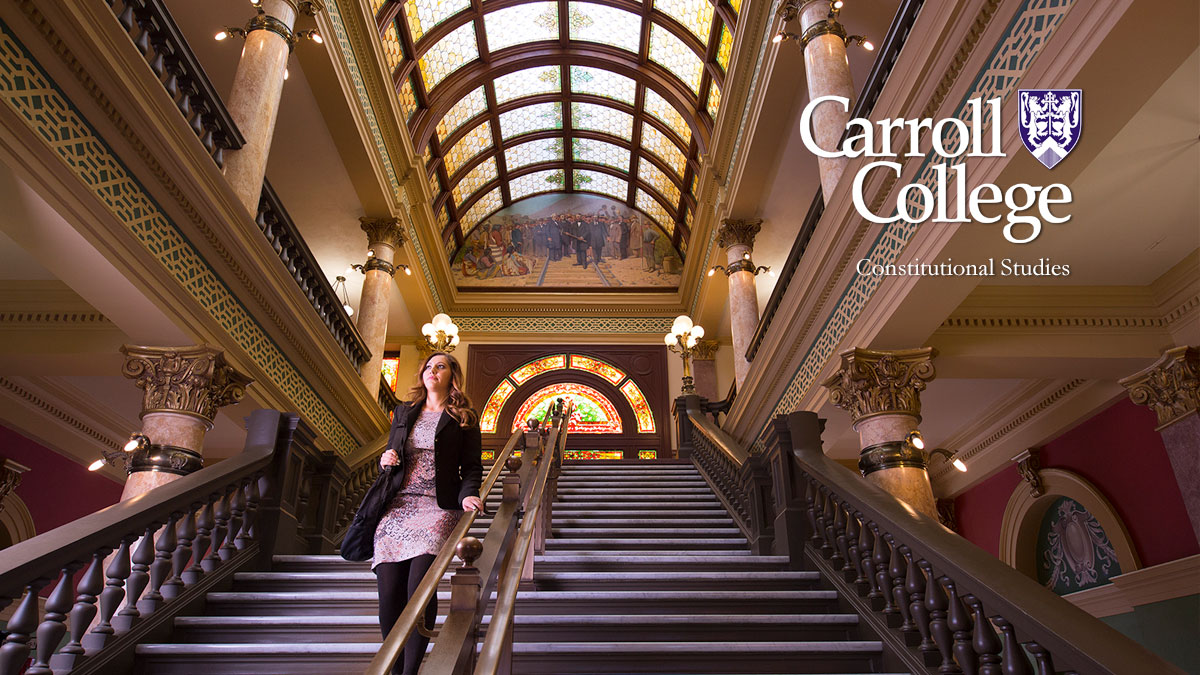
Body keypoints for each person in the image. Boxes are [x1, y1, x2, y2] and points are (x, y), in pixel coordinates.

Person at [374, 352, 483, 675]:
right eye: (429, 366)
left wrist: (469, 495)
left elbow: (472, 466)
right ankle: (393, 667)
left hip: (437, 507)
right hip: (398, 506)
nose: (432, 371)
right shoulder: (403, 412)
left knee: (419, 587)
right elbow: (391, 458)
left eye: (441, 366)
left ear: (452, 375)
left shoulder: (464, 417)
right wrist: (385, 459)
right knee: (390, 590)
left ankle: (410, 671)